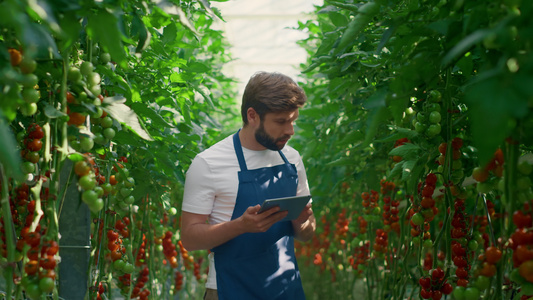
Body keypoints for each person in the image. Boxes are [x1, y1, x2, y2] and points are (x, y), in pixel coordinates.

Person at [180, 71, 316, 300]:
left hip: (286, 288)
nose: (290, 131)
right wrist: (241, 226)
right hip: (228, 289)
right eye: (281, 122)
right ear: (252, 115)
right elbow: (189, 238)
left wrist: (302, 220)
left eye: (293, 121)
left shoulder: (292, 159)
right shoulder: (209, 163)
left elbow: (306, 234)